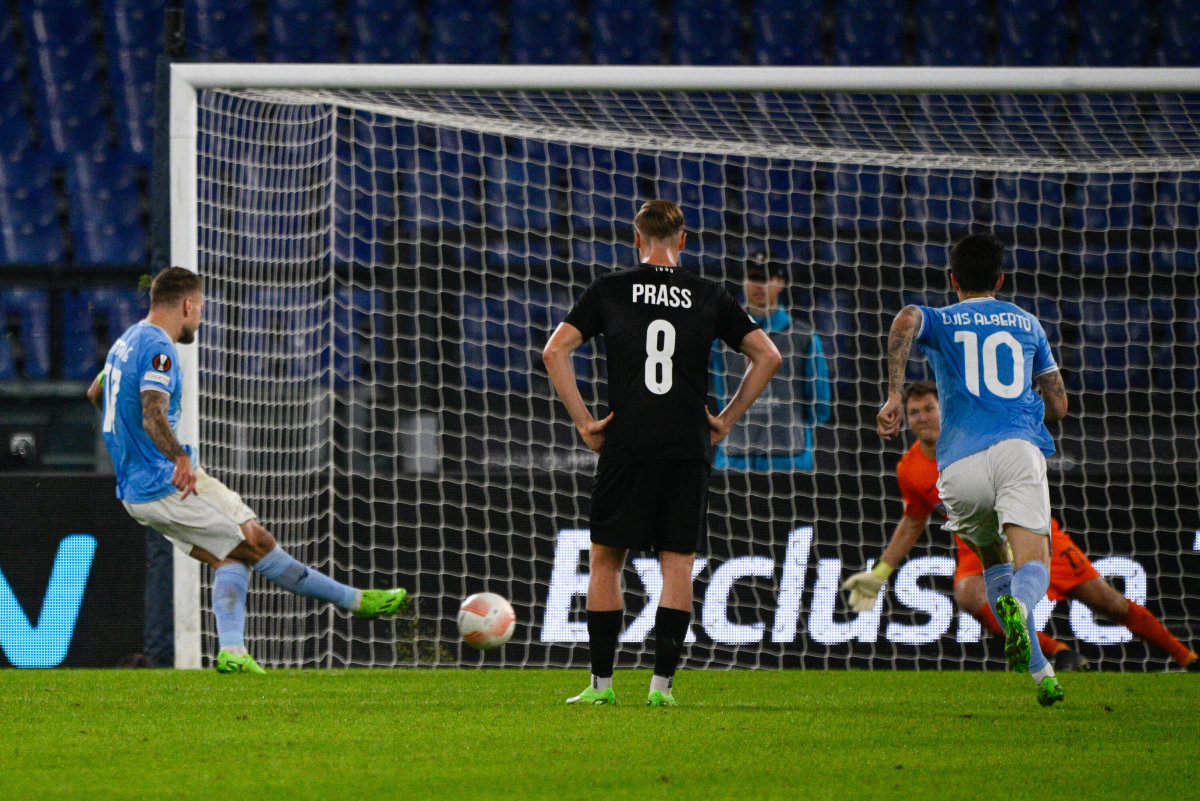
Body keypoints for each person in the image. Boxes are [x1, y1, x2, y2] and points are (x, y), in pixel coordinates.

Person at [87, 267, 407, 674]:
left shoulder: (126, 341)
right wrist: (178, 458)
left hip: (138, 488)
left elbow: (96, 393)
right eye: (200, 309)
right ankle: (356, 601)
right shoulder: (158, 346)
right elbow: (152, 413)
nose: (200, 318)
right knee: (256, 542)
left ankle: (233, 652)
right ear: (188, 305)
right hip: (163, 482)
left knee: (230, 554)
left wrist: (127, 442)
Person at [542, 200, 781, 707]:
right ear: (683, 240)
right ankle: (661, 688)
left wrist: (584, 422)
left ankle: (601, 686)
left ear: (637, 239)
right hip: (686, 442)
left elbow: (554, 351)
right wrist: (725, 420)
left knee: (606, 559)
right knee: (678, 564)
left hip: (628, 438)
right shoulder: (708, 293)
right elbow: (768, 355)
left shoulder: (610, 289)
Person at [845, 381, 1198, 672]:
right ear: (906, 419)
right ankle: (1058, 653)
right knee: (968, 594)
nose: (922, 417)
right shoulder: (909, 469)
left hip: (1029, 530)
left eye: (929, 409)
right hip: (979, 545)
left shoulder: (978, 440)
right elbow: (913, 520)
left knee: (1109, 603)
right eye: (914, 412)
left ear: (944, 410)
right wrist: (881, 572)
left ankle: (1186, 657)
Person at [875, 232, 1070, 706]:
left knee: (991, 561)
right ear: (999, 280)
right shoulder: (1027, 323)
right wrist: (1027, 407)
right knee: (1034, 563)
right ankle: (1020, 604)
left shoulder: (942, 319)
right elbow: (1059, 405)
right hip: (1015, 450)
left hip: (958, 466)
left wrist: (895, 393)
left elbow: (906, 318)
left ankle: (1042, 674)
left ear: (953, 280)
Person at [710, 249, 832, 472]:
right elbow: (719, 394)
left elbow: (819, 404)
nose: (759, 286)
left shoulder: (803, 337)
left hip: (789, 461)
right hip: (735, 461)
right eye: (753, 278)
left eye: (766, 278)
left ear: (781, 282)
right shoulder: (722, 339)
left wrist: (791, 433)